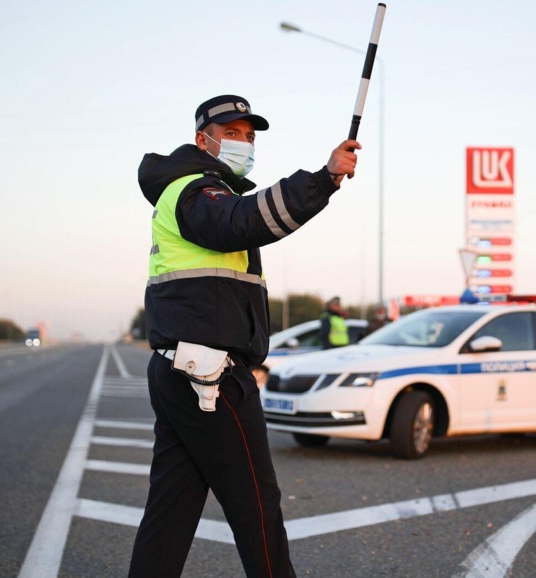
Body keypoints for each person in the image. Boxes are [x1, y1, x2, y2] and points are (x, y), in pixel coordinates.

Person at [129, 94, 360, 578]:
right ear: (202, 140)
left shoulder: (198, 190)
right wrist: (324, 178)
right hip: (208, 378)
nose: (243, 143)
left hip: (182, 369)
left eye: (249, 136)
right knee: (257, 506)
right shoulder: (194, 191)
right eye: (231, 133)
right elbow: (244, 220)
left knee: (171, 510)